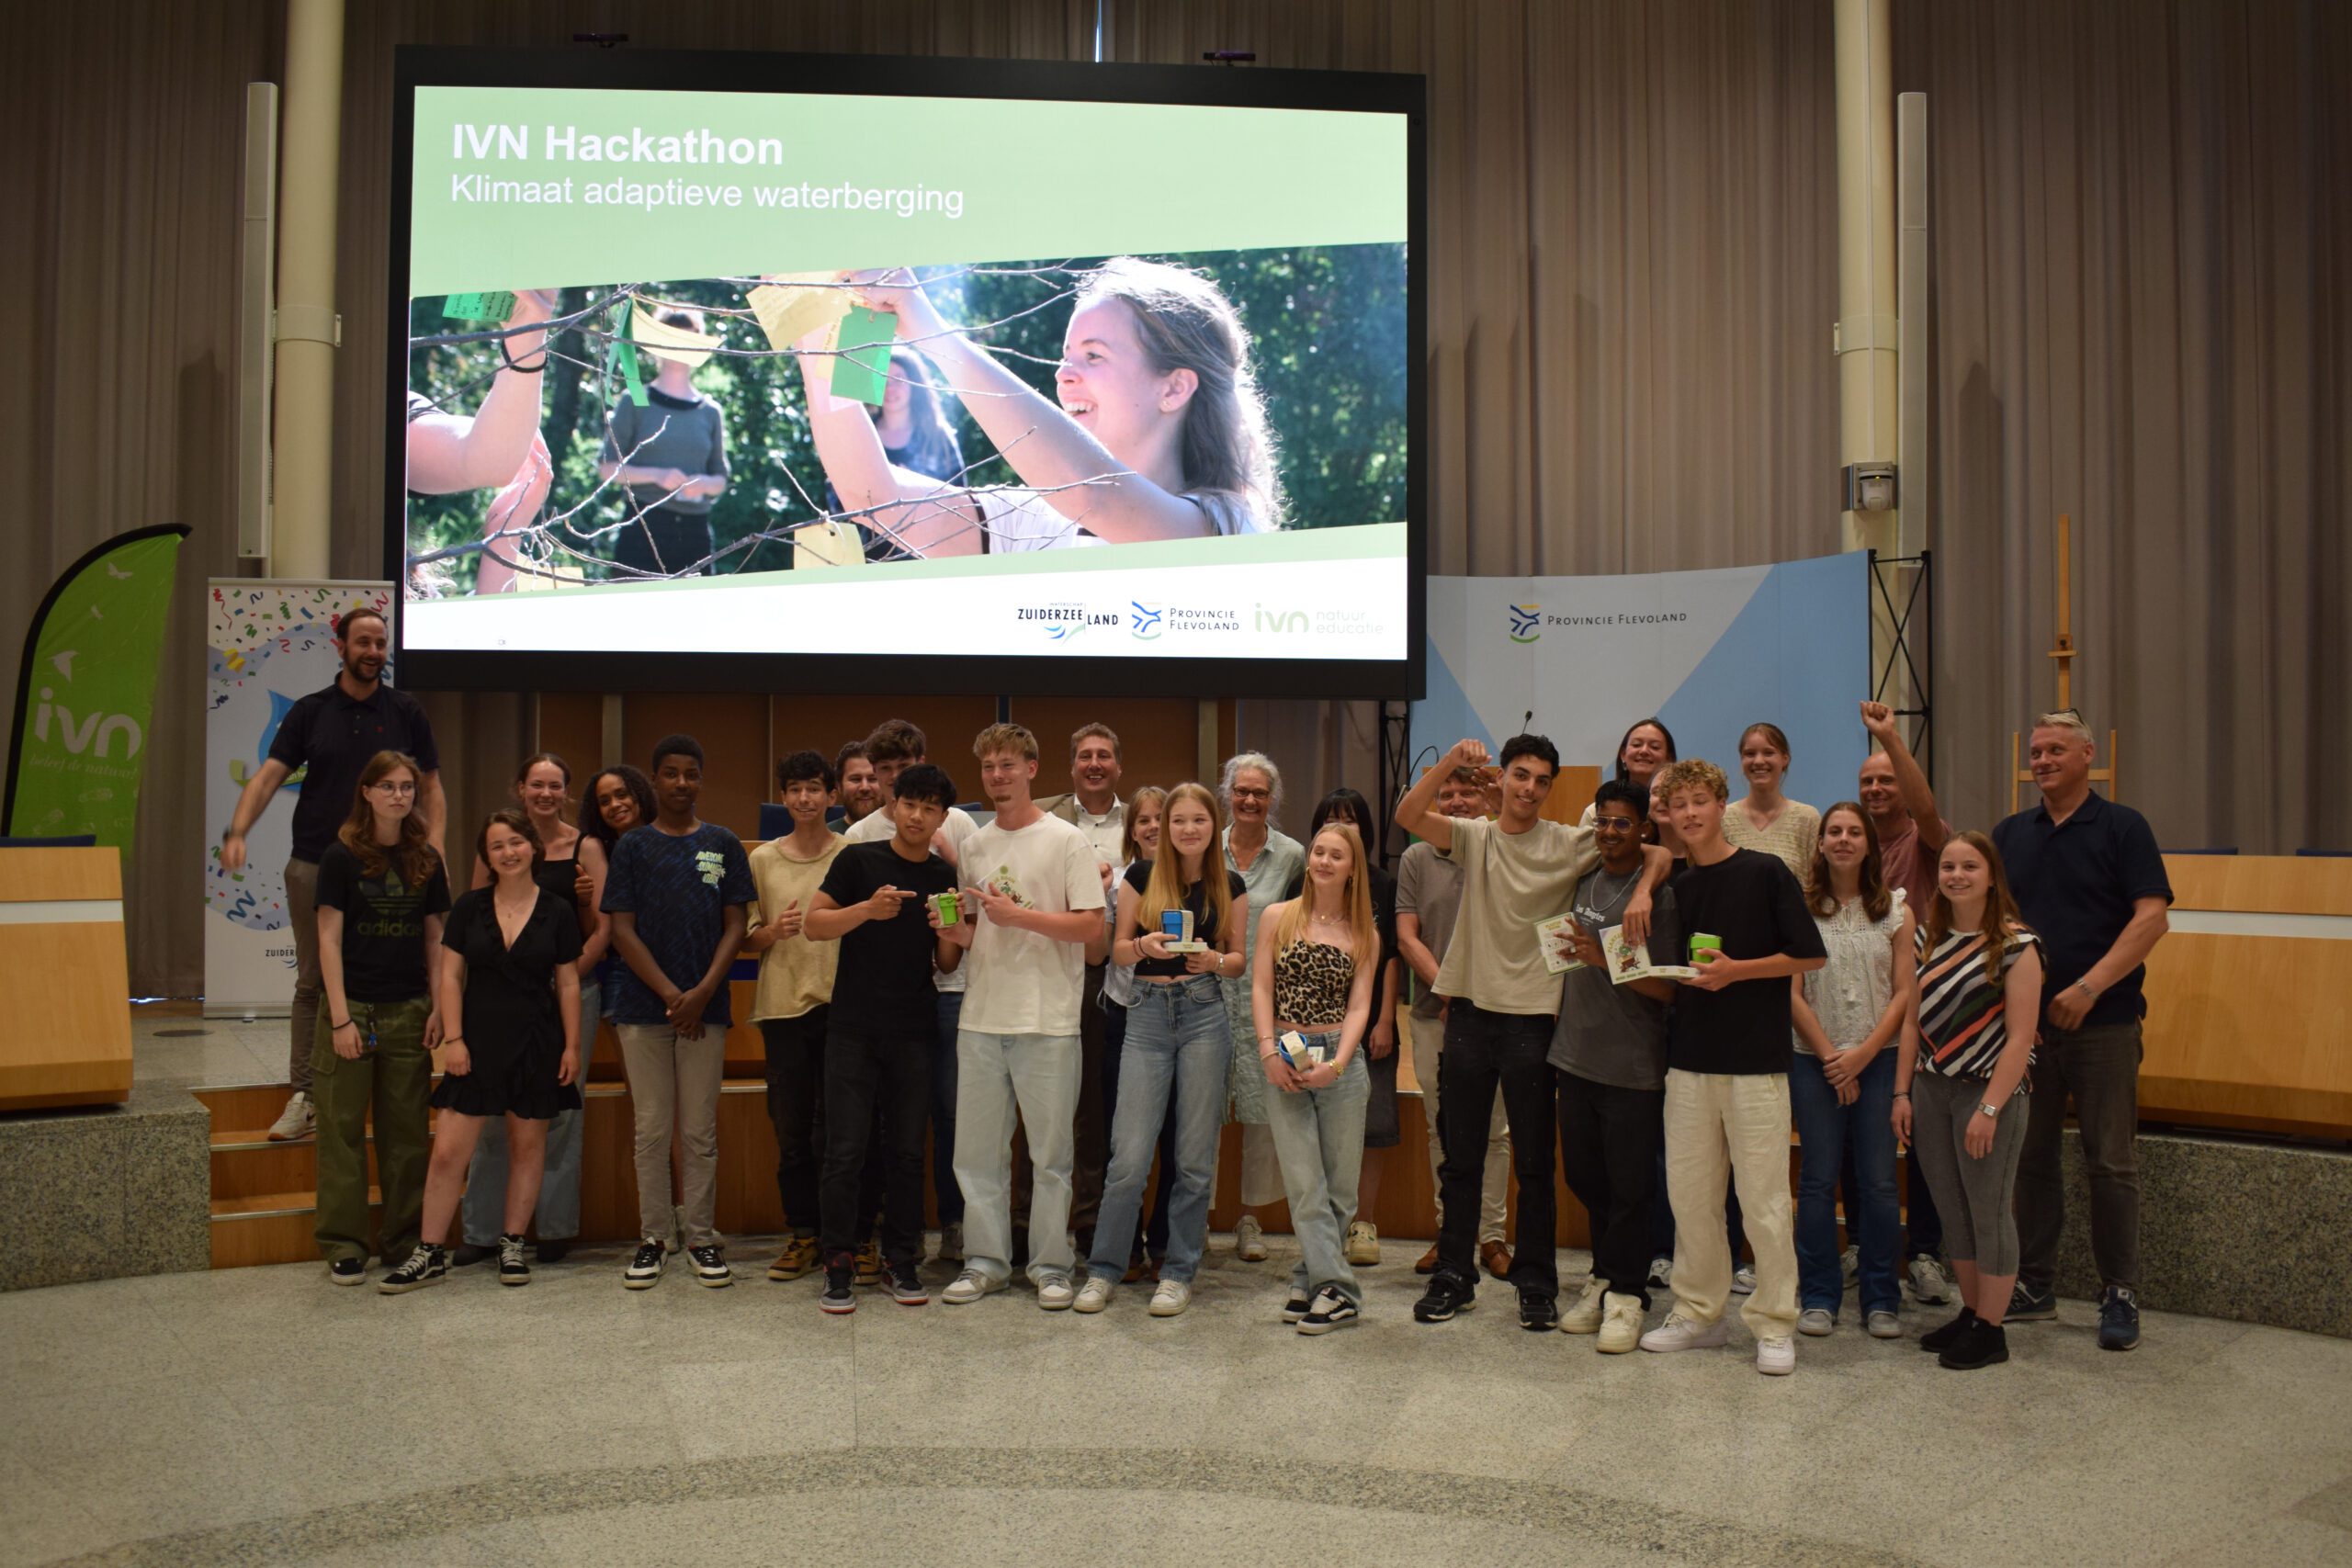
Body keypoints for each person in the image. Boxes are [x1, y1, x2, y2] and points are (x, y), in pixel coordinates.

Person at [1395, 735, 1666, 1331]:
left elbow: (1656, 851)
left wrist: (1645, 888)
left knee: (1536, 1164)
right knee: (1461, 1158)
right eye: (1520, 775)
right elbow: (1407, 816)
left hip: (1535, 1021)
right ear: (1505, 777)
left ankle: (1536, 1280)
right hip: (1468, 1013)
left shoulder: (1572, 843)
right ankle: (1454, 1275)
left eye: (1542, 780)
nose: (1529, 788)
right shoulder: (1476, 835)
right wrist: (1453, 762)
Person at [802, 257, 1283, 556]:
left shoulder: (1226, 528)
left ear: (1174, 388)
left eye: (1094, 356)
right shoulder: (1032, 519)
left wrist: (928, 327)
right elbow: (873, 498)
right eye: (1066, 356)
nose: (1063, 373)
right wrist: (823, 332)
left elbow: (1096, 494)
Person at [218, 605, 443, 1144]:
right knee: (314, 981)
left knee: (396, 976)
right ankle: (306, 1097)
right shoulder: (310, 711)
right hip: (316, 863)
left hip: (393, 870)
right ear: (340, 647)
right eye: (363, 642)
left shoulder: (407, 711)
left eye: (381, 643)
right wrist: (238, 831)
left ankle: (393, 1090)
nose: (373, 652)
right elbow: (270, 776)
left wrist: (433, 850)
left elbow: (431, 786)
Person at [1637, 759, 1826, 1375]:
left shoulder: (1766, 871)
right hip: (1689, 1061)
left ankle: (1774, 1322)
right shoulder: (1679, 887)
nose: (1689, 813)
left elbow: (1808, 955)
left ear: (1722, 805)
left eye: (1699, 800)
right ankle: (1698, 1313)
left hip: (1756, 1063)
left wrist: (1735, 970)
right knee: (1690, 1195)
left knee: (1764, 1199)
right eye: (1677, 803)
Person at [1994, 710, 2171, 1351]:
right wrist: (2025, 1002)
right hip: (2029, 1031)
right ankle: (2035, 1284)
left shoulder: (2124, 826)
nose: (2041, 760)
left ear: (2088, 754)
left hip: (2107, 1024)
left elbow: (2152, 918)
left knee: (2112, 1163)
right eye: (2036, 751)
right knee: (2031, 1159)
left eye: (2055, 750)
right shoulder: (2011, 833)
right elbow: (1997, 921)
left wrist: (2089, 987)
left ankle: (2119, 1291)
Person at [941, 724, 1107, 1309]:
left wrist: (1019, 918)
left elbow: (1093, 929)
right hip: (982, 1015)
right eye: (989, 767)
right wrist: (954, 931)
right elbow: (974, 930)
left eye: (1008, 765)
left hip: (1049, 1019)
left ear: (1032, 769)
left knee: (1051, 1157)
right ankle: (984, 1262)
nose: (997, 776)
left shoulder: (1066, 841)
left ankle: (1051, 1266)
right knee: (978, 1154)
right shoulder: (975, 845)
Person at [383, 810, 583, 1292]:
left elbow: (569, 981)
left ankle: (513, 1244)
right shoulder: (470, 906)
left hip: (538, 1039)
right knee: (450, 1153)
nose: (508, 852)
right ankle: (430, 1252)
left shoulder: (557, 909)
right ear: (487, 857)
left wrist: (572, 1046)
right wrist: (454, 1039)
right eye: (497, 846)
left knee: (528, 1147)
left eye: (516, 842)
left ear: (533, 847)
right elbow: (450, 975)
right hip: (474, 1042)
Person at [1077, 783, 1248, 1316]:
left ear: (1212, 826)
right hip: (1146, 1017)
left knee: (1194, 1160)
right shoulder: (1140, 876)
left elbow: (1239, 958)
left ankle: (1177, 1270)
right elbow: (1116, 950)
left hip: (1205, 1016)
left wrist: (1215, 963)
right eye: (1179, 821)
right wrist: (1144, 947)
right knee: (1127, 1158)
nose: (1188, 829)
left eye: (1199, 820)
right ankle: (1104, 1269)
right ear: (1165, 828)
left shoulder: (1231, 884)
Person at [804, 762, 967, 1313]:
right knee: (845, 1150)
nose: (917, 816)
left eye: (930, 808)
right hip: (852, 1027)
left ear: (943, 816)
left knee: (905, 1152)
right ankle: (839, 1262)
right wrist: (867, 910)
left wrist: (950, 933)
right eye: (910, 804)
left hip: (915, 1030)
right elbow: (814, 923)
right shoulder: (859, 858)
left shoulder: (945, 875)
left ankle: (902, 1259)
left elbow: (946, 964)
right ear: (894, 806)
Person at [600, 734, 753, 1291]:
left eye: (691, 773)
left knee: (699, 1133)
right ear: (656, 780)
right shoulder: (633, 847)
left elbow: (736, 924)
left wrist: (701, 993)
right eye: (671, 773)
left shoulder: (723, 843)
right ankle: (653, 1238)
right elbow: (621, 927)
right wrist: (671, 995)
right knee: (651, 1129)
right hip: (644, 1011)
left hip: (706, 1012)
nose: (681, 782)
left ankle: (703, 1238)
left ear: (700, 781)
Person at [452, 754, 604, 1269]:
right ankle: (482, 1231)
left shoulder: (586, 847)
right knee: (492, 1118)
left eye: (555, 785)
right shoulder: (496, 843)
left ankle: (554, 1228)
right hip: (498, 1001)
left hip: (568, 994)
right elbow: (474, 920)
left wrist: (561, 977)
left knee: (557, 1120)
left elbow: (603, 928)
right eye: (535, 784)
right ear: (521, 788)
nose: (545, 793)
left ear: (566, 791)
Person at [1898, 832, 2043, 1370]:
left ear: (1991, 876)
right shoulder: (1927, 940)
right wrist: (1902, 1092)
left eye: (1970, 867)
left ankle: (1992, 1329)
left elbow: (2022, 1038)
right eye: (1949, 867)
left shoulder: (2017, 945)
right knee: (1951, 1210)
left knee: (1988, 1211)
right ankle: (1972, 1312)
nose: (1957, 875)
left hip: (1988, 1091)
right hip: (1931, 1089)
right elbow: (1911, 1023)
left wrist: (1989, 1109)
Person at [1551, 780, 1684, 1352]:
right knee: (1585, 1176)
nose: (1609, 832)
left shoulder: (1659, 894)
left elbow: (1667, 988)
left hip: (1632, 1065)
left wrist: (1602, 957)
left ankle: (1627, 1295)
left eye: (1622, 823)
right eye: (1602, 821)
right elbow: (1560, 953)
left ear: (1644, 829)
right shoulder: (1582, 880)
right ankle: (1606, 1274)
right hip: (1573, 1055)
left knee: (1631, 1187)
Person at [845, 718, 983, 1261]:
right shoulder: (858, 838)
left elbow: (974, 900)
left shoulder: (961, 826)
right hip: (884, 998)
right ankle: (880, 1228)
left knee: (951, 1113)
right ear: (879, 781)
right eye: (888, 774)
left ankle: (953, 1221)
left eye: (908, 769)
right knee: (888, 1118)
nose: (901, 784)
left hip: (953, 989)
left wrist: (947, 855)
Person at [309, 750, 448, 1285]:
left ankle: (403, 1240)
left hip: (409, 1008)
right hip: (353, 1009)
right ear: (366, 792)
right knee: (342, 1130)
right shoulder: (340, 856)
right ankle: (344, 1243)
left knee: (407, 1134)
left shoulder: (425, 857)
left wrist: (438, 1004)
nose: (398, 796)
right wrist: (341, 1020)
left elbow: (436, 936)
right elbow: (328, 938)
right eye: (387, 786)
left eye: (407, 787)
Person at [1787, 803, 1916, 1340]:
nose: (1842, 839)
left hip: (1878, 1059)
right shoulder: (1799, 908)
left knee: (1880, 1183)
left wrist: (1862, 1055)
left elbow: (1905, 992)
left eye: (1853, 832)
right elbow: (1789, 992)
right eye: (1833, 832)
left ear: (1868, 844)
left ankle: (1881, 1296)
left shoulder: (1895, 911)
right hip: (1811, 1059)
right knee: (1816, 1181)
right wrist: (1830, 1057)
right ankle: (1819, 1295)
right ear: (1819, 844)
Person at [1251, 821, 1380, 1335]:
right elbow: (1261, 987)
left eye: (1336, 856)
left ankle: (1311, 1277)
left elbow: (1360, 1006)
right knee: (1305, 1181)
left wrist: (1338, 1064)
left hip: (1338, 1063)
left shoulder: (1365, 931)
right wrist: (1267, 1051)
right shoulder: (1277, 917)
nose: (1324, 861)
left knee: (1339, 1187)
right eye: (1318, 852)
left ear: (1352, 869)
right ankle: (1340, 1291)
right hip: (1284, 1051)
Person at [1855, 699, 1955, 1305]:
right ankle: (1859, 1249)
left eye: (1885, 779)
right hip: (1858, 1012)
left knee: (1917, 1138)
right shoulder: (1848, 847)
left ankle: (1922, 1252)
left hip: (1920, 1016)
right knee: (1851, 1134)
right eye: (1866, 781)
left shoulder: (1925, 841)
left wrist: (1891, 739)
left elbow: (1927, 807)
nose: (1874, 789)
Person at [1396, 764, 1513, 1280]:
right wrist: (1447, 990)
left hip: (1498, 1012)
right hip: (1433, 1014)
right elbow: (1407, 935)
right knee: (1440, 1126)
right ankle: (1450, 1234)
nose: (1458, 801)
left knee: (1495, 1129)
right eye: (1447, 793)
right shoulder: (1416, 857)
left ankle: (1491, 1236)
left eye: (1468, 792)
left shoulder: (1502, 846)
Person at [1280, 789, 1401, 1266]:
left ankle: (1361, 1224)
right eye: (1330, 822)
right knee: (1308, 1142)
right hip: (1302, 1031)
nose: (1339, 830)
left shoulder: (1380, 885)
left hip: (1365, 1022)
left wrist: (1386, 1018)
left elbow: (1387, 956)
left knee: (1369, 1126)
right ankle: (1316, 1253)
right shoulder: (1297, 886)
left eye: (1350, 823)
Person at [743, 750, 847, 1283]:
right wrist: (772, 933)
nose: (804, 799)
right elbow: (746, 936)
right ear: (782, 796)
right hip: (782, 1009)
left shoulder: (852, 853)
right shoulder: (761, 859)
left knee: (841, 1132)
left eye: (814, 789)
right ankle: (802, 1234)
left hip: (840, 1008)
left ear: (832, 795)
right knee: (791, 1132)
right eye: (794, 789)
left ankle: (846, 1240)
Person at [1033, 722, 1126, 1260]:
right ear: (1071, 766)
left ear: (1118, 766)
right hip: (1045, 968)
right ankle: (1029, 1224)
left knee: (1092, 1108)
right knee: (1041, 1104)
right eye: (1085, 755)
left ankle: (1089, 1222)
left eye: (1104, 756)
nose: (1094, 764)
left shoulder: (1142, 821)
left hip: (1108, 977)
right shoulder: (1040, 815)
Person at [1218, 752, 1306, 1263]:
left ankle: (1250, 1220)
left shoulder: (1293, 856)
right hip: (1207, 994)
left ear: (1272, 800)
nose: (1250, 800)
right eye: (1241, 791)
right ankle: (1194, 1216)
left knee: (1261, 1113)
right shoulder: (1205, 849)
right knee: (1200, 1111)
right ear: (1227, 794)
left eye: (1260, 793)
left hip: (1265, 999)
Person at [1098, 786, 1181, 1279]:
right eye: (1143, 819)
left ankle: (1166, 1243)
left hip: (1179, 1017)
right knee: (1124, 1140)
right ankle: (1125, 1245)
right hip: (1124, 1014)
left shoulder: (1194, 881)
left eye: (1160, 817)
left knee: (1174, 1135)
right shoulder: (1116, 884)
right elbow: (1107, 950)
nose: (1152, 826)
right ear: (1131, 831)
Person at [596, 306, 731, 579]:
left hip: (696, 535)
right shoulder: (634, 400)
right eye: (671, 337)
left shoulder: (710, 411)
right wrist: (658, 476)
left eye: (688, 338)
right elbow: (606, 469)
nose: (680, 346)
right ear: (656, 344)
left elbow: (720, 480)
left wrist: (703, 485)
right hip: (642, 531)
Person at [1722, 722, 1821, 879]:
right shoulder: (1724, 818)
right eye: (1750, 754)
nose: (1759, 761)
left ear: (1785, 759)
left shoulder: (1807, 819)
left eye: (1768, 753)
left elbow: (1818, 886)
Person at [1579, 718, 1678, 831]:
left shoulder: (1678, 810)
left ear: (1669, 759)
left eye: (1655, 747)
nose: (1644, 751)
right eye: (1636, 745)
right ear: (1623, 754)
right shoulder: (1595, 812)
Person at [833, 741, 883, 829]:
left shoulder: (903, 836)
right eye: (855, 779)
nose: (864, 787)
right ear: (839, 787)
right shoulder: (821, 840)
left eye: (873, 779)